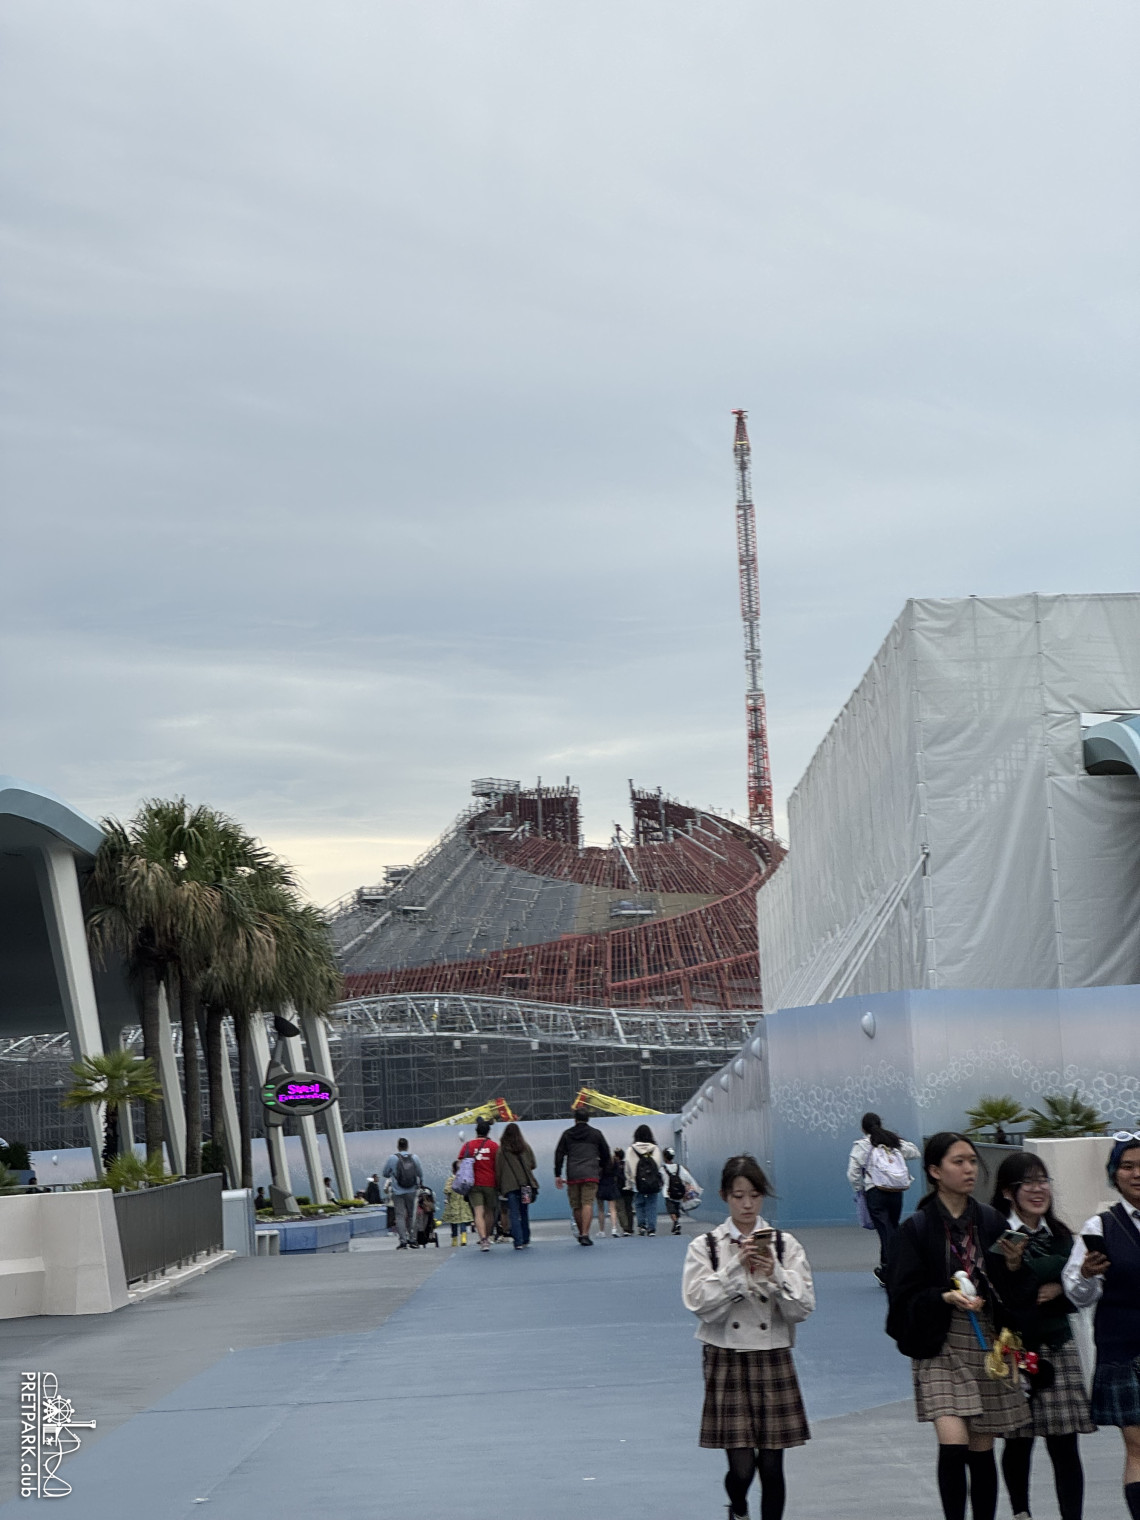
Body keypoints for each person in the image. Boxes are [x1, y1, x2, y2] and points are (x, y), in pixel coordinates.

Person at [886, 1131, 1033, 1520]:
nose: (969, 1169)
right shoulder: (916, 1228)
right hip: (940, 1341)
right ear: (935, 1171)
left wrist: (1013, 1264)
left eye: (972, 1161)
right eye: (958, 1162)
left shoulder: (990, 1220)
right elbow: (901, 1296)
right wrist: (943, 1297)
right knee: (952, 1443)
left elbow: (1012, 1290)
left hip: (985, 1340)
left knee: (981, 1447)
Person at [682, 1154, 814, 1520]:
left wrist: (776, 1275)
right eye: (738, 1196)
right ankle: (738, 1507)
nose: (747, 1205)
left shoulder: (785, 1246)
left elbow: (802, 1308)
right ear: (724, 1196)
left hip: (773, 1354)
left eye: (755, 1196)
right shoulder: (707, 1246)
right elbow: (699, 1305)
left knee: (772, 1465)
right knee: (742, 1468)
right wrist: (734, 1268)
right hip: (726, 1355)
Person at [989, 1150, 1091, 1520]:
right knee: (1018, 1440)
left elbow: (1079, 1284)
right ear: (1007, 1192)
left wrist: (1059, 1285)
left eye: (1043, 1180)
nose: (1038, 1189)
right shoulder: (998, 1235)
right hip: (1015, 1349)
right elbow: (1006, 1288)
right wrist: (1056, 1276)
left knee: (1065, 1443)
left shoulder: (1061, 1234)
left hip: (1058, 1345)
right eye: (1028, 1182)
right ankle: (1021, 1513)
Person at [1062, 1131, 1140, 1520]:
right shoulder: (1100, 1226)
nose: (1137, 1174)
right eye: (1127, 1166)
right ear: (1114, 1174)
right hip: (1124, 1348)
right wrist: (1088, 1276)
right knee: (1139, 1446)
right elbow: (1077, 1293)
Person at [847, 1110, 921, 1284]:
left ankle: (896, 1269)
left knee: (885, 1231)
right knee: (891, 1228)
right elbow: (915, 1152)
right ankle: (886, 1269)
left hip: (875, 1191)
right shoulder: (891, 1141)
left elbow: (852, 1173)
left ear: (863, 1128)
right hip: (896, 1191)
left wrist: (860, 1189)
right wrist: (897, 1142)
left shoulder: (861, 1146)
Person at [554, 1107, 611, 1246]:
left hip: (573, 1173)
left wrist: (557, 1174)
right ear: (588, 1119)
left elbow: (559, 1153)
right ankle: (585, 1234)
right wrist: (602, 1169)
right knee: (587, 1203)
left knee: (576, 1205)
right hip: (591, 1172)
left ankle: (581, 1233)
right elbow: (605, 1154)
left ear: (575, 1119)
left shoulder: (567, 1134)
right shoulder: (596, 1134)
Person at [458, 1118, 500, 1252]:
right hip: (490, 1183)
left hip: (473, 1183)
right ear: (488, 1132)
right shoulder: (494, 1146)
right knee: (489, 1212)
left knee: (478, 1212)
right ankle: (487, 1236)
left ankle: (483, 1239)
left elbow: (459, 1164)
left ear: (476, 1131)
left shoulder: (468, 1145)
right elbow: (499, 1165)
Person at [495, 1122, 538, 1250]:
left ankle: (518, 1242)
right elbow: (533, 1164)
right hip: (525, 1185)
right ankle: (526, 1238)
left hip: (510, 1187)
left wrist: (499, 1186)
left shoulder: (502, 1150)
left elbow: (498, 1169)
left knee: (513, 1213)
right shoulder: (525, 1147)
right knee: (524, 1212)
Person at [382, 1138, 423, 1249]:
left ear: (398, 1146)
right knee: (412, 1215)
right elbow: (420, 1173)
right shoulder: (414, 1157)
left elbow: (385, 1173)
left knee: (399, 1216)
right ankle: (413, 1240)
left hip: (397, 1191)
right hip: (412, 1190)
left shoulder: (392, 1158)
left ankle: (403, 1241)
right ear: (407, 1146)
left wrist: (392, 1174)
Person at [626, 1123, 665, 1236]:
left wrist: (629, 1182)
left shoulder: (631, 1149)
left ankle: (642, 1225)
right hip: (652, 1181)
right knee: (651, 1204)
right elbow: (658, 1165)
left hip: (637, 1182)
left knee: (639, 1204)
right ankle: (651, 1228)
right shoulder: (655, 1149)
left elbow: (627, 1168)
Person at [662, 1147, 699, 1235]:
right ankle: (677, 1224)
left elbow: (660, 1180)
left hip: (668, 1193)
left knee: (671, 1210)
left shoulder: (662, 1169)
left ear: (664, 1157)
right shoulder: (679, 1167)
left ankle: (675, 1222)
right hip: (679, 1193)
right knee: (677, 1208)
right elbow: (688, 1178)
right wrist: (694, 1188)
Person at [442, 1160, 473, 1247]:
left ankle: (454, 1239)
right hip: (463, 1204)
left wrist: (448, 1198)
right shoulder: (465, 1179)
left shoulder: (451, 1179)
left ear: (453, 1170)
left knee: (454, 1223)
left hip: (453, 1205)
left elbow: (447, 1190)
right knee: (463, 1222)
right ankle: (464, 1238)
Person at [596, 1145, 624, 1237]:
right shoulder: (613, 1160)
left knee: (600, 1209)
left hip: (600, 1185)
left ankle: (602, 1231)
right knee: (612, 1209)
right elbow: (617, 1173)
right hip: (611, 1185)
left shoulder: (598, 1161)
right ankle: (614, 1229)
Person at [613, 1147, 635, 1236]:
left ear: (617, 1156)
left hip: (618, 1190)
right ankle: (630, 1227)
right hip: (628, 1189)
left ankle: (625, 1228)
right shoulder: (627, 1164)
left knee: (620, 1209)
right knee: (629, 1208)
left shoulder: (614, 1166)